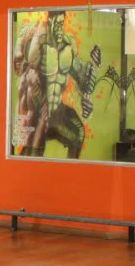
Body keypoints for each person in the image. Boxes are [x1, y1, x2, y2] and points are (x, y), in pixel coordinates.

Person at [13, 11, 101, 158]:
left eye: (62, 23)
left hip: (57, 112)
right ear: (50, 21)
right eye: (57, 23)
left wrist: (92, 75)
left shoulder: (68, 47)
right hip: (36, 112)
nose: (60, 28)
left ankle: (71, 171)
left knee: (78, 134)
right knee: (31, 157)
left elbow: (82, 80)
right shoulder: (38, 42)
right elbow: (24, 74)